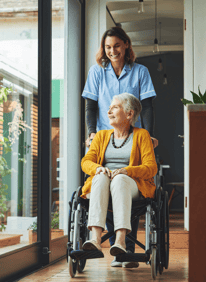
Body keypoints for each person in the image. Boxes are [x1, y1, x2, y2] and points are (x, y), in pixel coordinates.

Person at [82, 26, 158, 268]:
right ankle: (104, 242)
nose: (112, 50)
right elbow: (90, 106)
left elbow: (146, 105)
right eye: (107, 47)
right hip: (107, 136)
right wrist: (92, 134)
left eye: (116, 45)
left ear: (125, 45)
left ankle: (124, 248)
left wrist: (148, 135)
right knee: (103, 179)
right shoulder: (97, 72)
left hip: (132, 136)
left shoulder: (140, 71)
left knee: (123, 180)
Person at [80, 93, 157, 263]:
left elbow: (151, 168)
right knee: (99, 177)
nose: (109, 112)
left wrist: (127, 171)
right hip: (103, 184)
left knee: (119, 180)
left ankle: (121, 242)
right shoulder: (100, 136)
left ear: (129, 114)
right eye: (109, 108)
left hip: (131, 184)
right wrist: (98, 168)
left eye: (114, 107)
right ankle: (95, 239)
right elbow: (86, 162)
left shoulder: (142, 135)